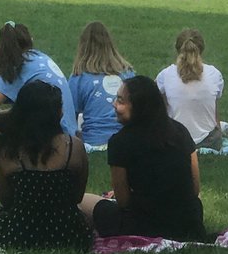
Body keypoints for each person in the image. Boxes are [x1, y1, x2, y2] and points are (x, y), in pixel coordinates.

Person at [0, 82, 91, 252]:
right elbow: (77, 197)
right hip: (70, 235)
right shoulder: (75, 147)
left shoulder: (9, 150)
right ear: (58, 113)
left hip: (19, 235)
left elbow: (6, 201)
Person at [81, 75, 207, 242]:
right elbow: (195, 189)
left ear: (138, 106)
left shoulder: (120, 142)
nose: (114, 104)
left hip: (142, 225)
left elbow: (123, 202)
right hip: (186, 224)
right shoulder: (180, 132)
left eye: (120, 101)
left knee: (83, 200)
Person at [0, 22, 77, 146]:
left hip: (47, 139)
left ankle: (3, 146)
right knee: (2, 114)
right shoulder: (40, 58)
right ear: (30, 40)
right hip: (67, 134)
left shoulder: (19, 65)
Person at [68, 21, 135, 150]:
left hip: (93, 142)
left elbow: (70, 116)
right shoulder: (128, 74)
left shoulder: (79, 77)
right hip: (126, 141)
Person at [156, 29, 224, 149]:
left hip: (175, 140)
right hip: (209, 141)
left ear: (177, 49)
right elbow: (214, 113)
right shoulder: (214, 74)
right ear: (202, 49)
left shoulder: (165, 76)